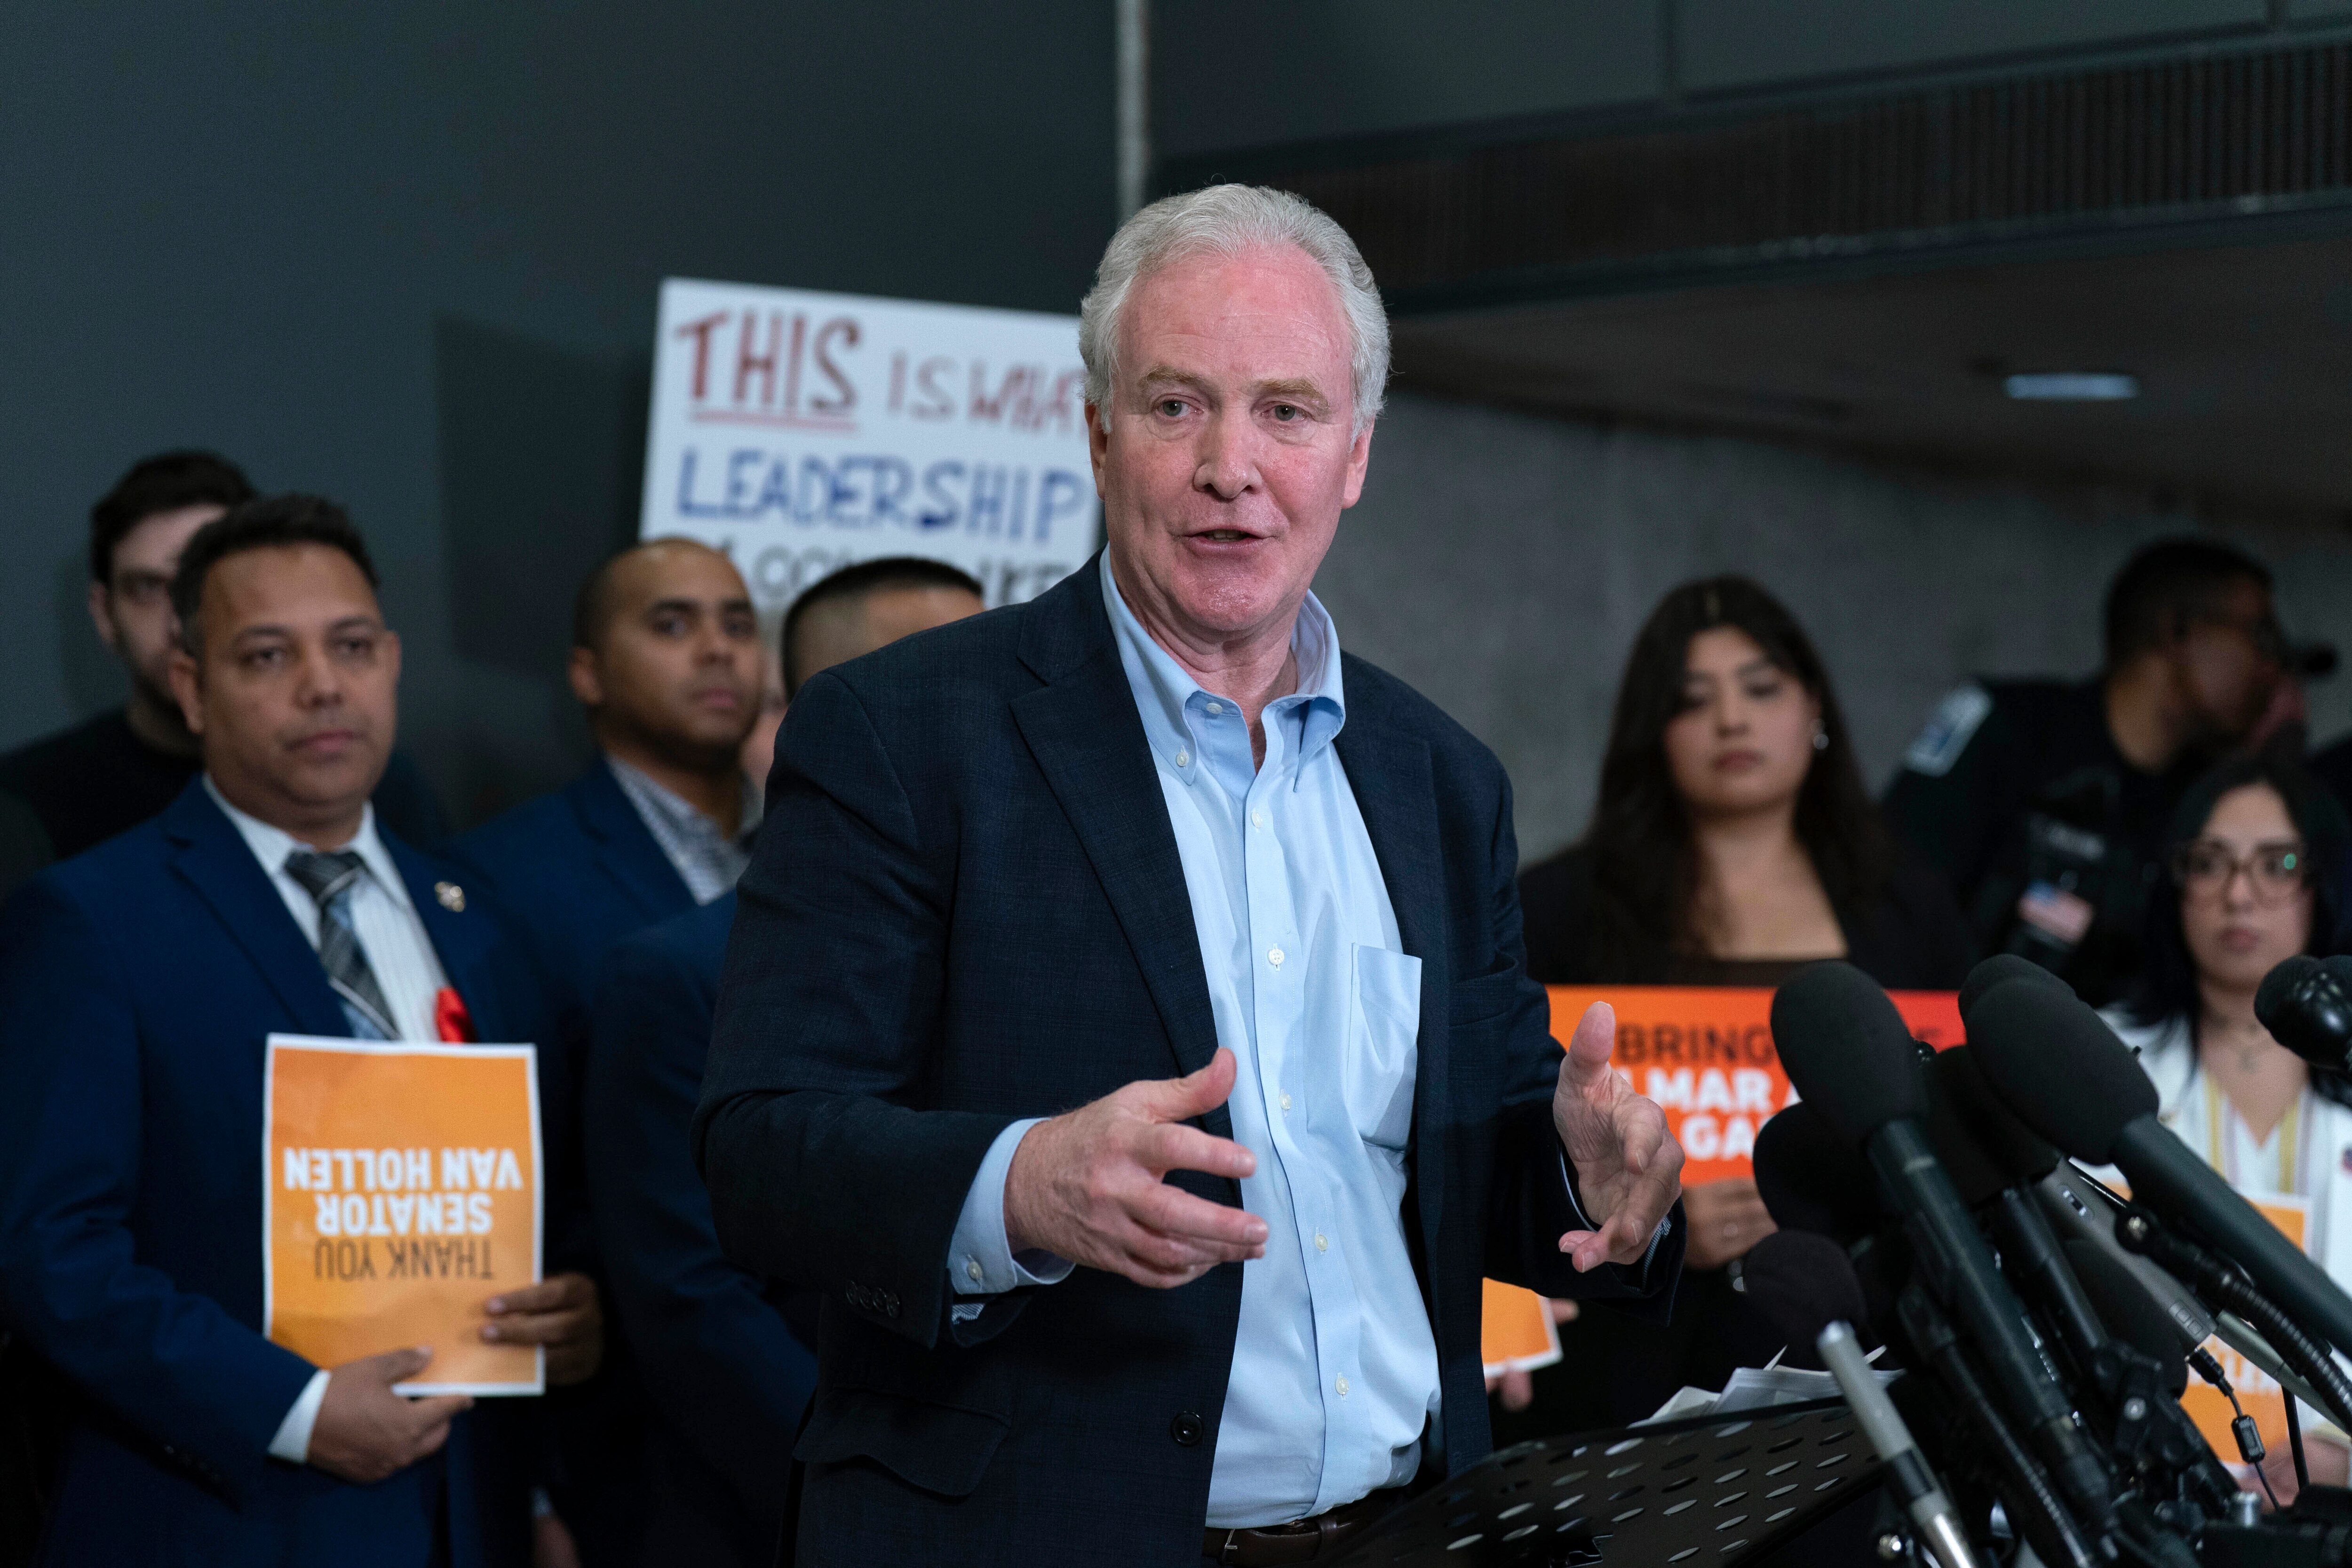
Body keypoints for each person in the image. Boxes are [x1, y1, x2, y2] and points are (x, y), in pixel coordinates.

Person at [692, 183, 1688, 1564]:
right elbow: (756, 1149)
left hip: (1414, 1529)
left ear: (1354, 453)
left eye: (1286, 410)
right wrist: (1017, 1185)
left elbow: (1476, 1162)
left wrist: (1581, 1178)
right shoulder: (901, 735)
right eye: (1175, 406)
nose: (1232, 463)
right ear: (1097, 438)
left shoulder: (1440, 779)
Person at [0, 495, 599, 1566]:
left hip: (473, 1520)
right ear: (190, 685)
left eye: (353, 646)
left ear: (393, 662)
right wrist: (291, 1407)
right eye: (267, 654)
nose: (324, 684)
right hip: (221, 1522)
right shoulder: (93, 920)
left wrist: (570, 1320)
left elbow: (546, 1209)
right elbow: (52, 1251)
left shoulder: (484, 917)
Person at [583, 558, 983, 1567]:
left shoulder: (1044, 950)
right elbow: (690, 1300)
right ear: (833, 713)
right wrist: (872, 1482)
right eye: (958, 681)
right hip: (782, 1513)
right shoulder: (674, 973)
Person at [1514, 575, 1972, 1430]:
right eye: (1694, 700)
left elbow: (1954, 1132)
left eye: (1761, 689)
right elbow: (1500, 1136)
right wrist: (1652, 1215)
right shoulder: (1561, 908)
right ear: (1654, 734)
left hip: (1873, 1361)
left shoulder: (1910, 909)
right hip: (1625, 1367)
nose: (1733, 720)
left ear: (1815, 711)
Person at [453, 536, 764, 1565]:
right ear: (585, 670)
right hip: (622, 1435)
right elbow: (497, 1170)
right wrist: (531, 1476)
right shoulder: (500, 879)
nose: (716, 650)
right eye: (671, 624)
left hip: (813, 1392)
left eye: (736, 622)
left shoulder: (834, 852)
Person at [1885, 536, 2328, 1007]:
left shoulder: (2205, 801)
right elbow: (1887, 901)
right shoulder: (2007, 730)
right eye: (2261, 639)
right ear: (2177, 631)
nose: (2271, 670)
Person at [0, 452, 446, 898]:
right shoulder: (25, 806)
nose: (181, 619)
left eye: (211, 581)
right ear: (104, 614)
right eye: (149, 589)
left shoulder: (373, 781)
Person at [2099, 752, 2352, 1507]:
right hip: (2138, 1498)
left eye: (2276, 864)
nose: (2240, 895)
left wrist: (2339, 1451)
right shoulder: (2094, 1065)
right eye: (2210, 863)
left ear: (2324, 883)